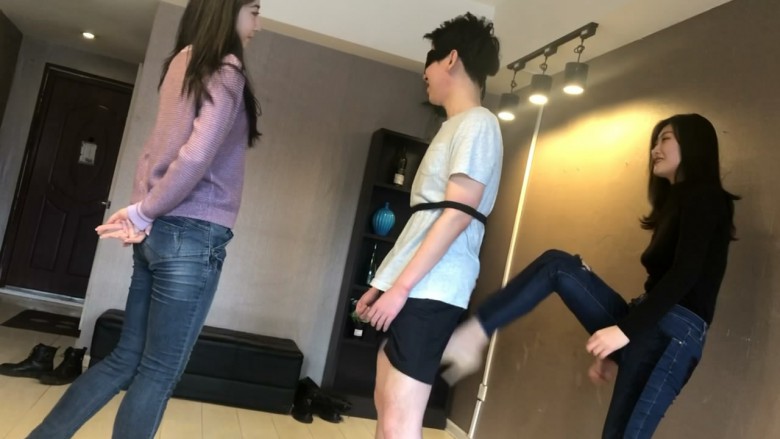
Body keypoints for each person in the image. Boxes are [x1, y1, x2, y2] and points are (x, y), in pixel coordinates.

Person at [28, 1, 261, 437]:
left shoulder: (182, 62)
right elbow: (196, 156)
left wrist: (144, 212)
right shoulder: (226, 68)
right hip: (192, 235)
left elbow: (156, 148)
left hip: (159, 232)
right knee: (160, 370)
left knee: (124, 358)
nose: (257, 25)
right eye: (254, 11)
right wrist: (143, 211)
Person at [440, 113, 739, 438]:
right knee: (559, 266)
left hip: (674, 334)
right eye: (655, 141)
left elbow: (685, 275)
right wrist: (621, 337)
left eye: (665, 139)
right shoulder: (674, 203)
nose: (655, 149)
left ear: (693, 145)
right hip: (646, 320)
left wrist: (623, 332)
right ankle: (475, 333)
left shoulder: (706, 197)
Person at [355, 12, 503, 439]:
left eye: (431, 60)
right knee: (387, 408)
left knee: (400, 420)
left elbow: (456, 215)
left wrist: (399, 288)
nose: (424, 73)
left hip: (433, 287)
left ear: (451, 59)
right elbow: (428, 219)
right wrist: (384, 283)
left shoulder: (479, 123)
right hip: (416, 282)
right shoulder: (454, 127)